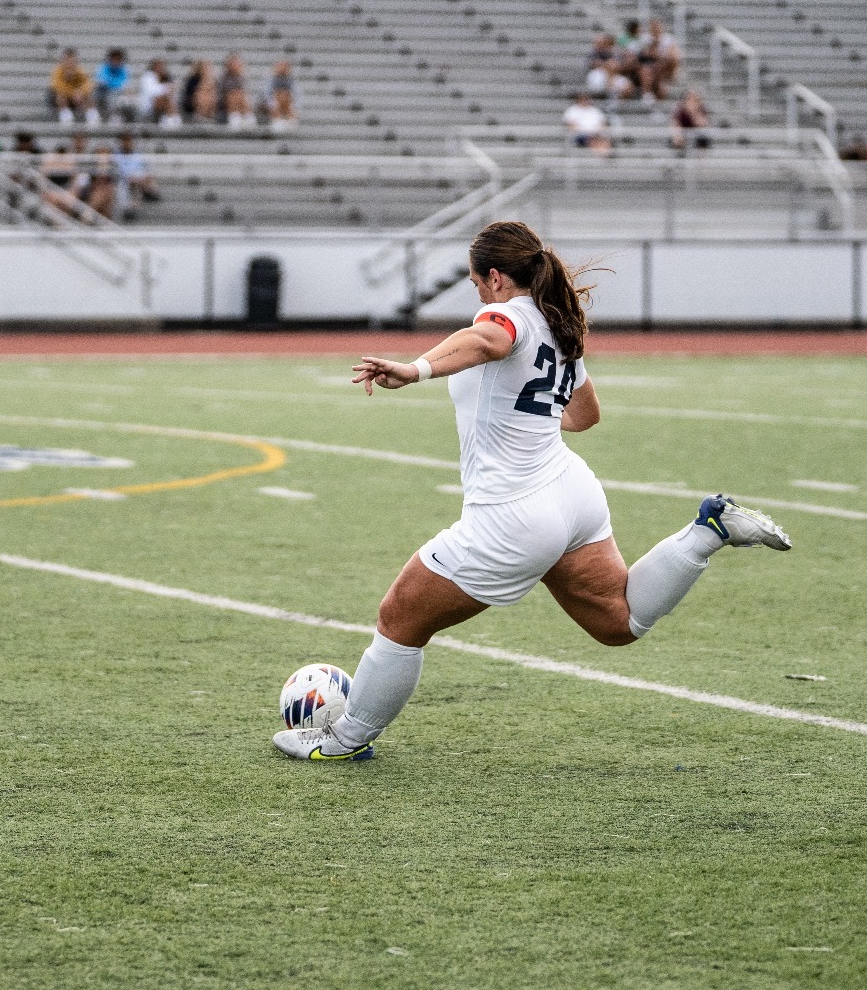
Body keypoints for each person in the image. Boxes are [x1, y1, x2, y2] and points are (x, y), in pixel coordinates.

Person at [274, 222, 789, 762]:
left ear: (496, 277)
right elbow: (585, 415)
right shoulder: (558, 324)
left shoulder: (507, 317)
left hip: (514, 512)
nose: (478, 294)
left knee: (400, 618)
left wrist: (415, 369)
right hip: (571, 490)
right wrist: (526, 417)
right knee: (617, 622)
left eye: (477, 282)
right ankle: (707, 531)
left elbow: (488, 339)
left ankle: (345, 740)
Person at [49, 49, 97, 125]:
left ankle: (92, 115)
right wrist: (72, 92)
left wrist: (80, 92)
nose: (70, 63)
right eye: (67, 60)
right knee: (60, 95)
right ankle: (65, 115)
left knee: (88, 96)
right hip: (64, 97)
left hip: (77, 98)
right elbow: (56, 85)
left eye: (72, 60)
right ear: (63, 61)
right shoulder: (58, 71)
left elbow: (88, 84)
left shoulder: (80, 71)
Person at [638, 19, 682, 101]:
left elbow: (674, 56)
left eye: (657, 27)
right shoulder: (645, 39)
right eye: (653, 27)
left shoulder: (668, 39)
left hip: (663, 67)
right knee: (646, 71)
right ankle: (647, 93)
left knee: (665, 64)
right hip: (648, 65)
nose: (655, 29)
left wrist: (657, 55)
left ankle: (657, 88)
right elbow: (644, 55)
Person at [115, 132, 158, 212]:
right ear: (120, 142)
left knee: (146, 177)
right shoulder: (116, 155)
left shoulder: (138, 154)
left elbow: (144, 168)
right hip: (124, 180)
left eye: (129, 140)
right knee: (134, 182)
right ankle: (147, 193)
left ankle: (135, 205)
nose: (127, 143)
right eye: (124, 140)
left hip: (138, 178)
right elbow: (118, 171)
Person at [137, 58, 178, 126]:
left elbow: (172, 91)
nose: (161, 68)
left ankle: (170, 119)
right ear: (154, 67)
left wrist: (167, 89)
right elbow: (151, 92)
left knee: (167, 100)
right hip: (149, 104)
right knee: (164, 99)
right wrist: (166, 88)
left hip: (164, 103)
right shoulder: (147, 77)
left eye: (162, 66)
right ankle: (172, 119)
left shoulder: (166, 77)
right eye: (159, 66)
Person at [94, 48, 132, 121]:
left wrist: (113, 85)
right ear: (110, 59)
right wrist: (114, 85)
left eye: (118, 59)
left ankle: (119, 117)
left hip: (119, 94)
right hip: (104, 94)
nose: (116, 62)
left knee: (127, 99)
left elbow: (125, 85)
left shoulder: (125, 69)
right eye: (114, 59)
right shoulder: (103, 68)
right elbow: (102, 82)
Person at [219, 53, 254, 128]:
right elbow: (224, 95)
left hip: (240, 104)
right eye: (235, 64)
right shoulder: (224, 79)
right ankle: (235, 116)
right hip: (225, 106)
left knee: (242, 95)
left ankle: (246, 116)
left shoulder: (241, 79)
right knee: (234, 95)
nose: (237, 66)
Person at [267, 57, 299, 132]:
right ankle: (276, 120)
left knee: (285, 96)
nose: (282, 68)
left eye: (284, 66)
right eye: (280, 66)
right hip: (274, 103)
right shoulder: (270, 81)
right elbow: (267, 95)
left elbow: (297, 95)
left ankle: (290, 120)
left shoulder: (292, 81)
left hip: (289, 103)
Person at [182, 59, 218, 123]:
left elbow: (215, 91)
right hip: (193, 99)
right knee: (201, 95)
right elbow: (190, 93)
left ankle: (208, 116)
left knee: (209, 96)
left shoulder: (213, 80)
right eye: (204, 68)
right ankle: (201, 116)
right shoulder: (192, 80)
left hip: (209, 98)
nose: (206, 70)